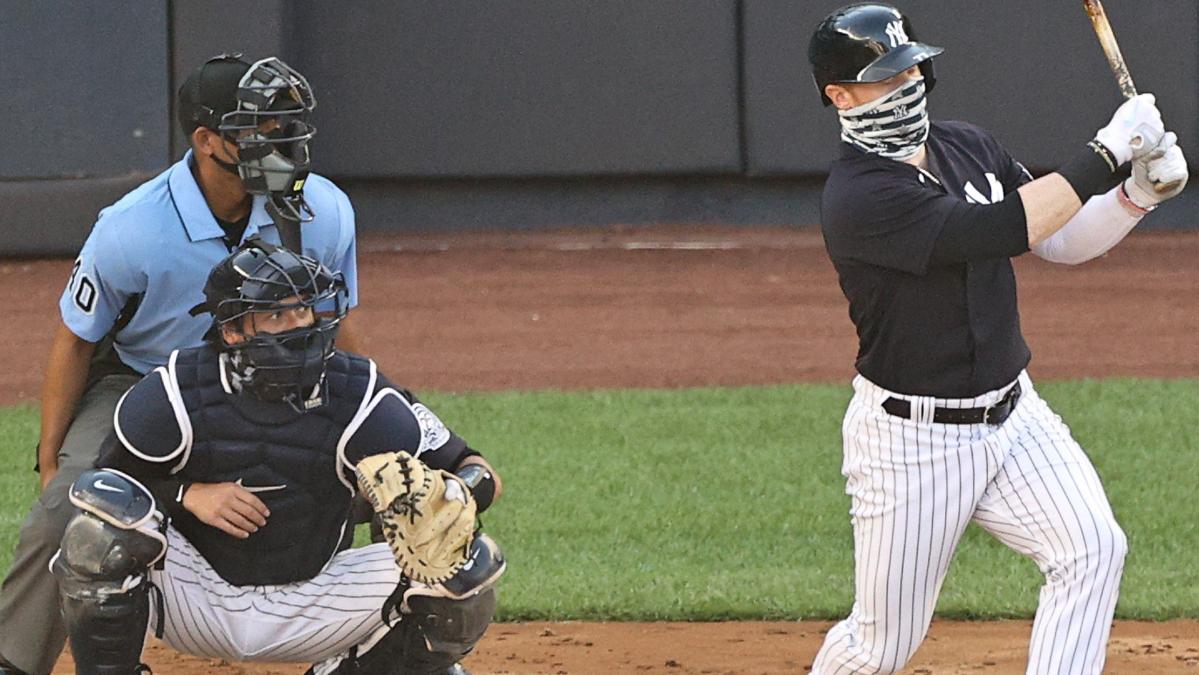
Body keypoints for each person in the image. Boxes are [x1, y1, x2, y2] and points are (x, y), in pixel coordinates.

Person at [806, 4, 1188, 674]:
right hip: (913, 441)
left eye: (911, 69)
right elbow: (999, 230)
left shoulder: (965, 145)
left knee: (1091, 548)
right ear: (839, 95)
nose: (908, 84)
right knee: (880, 645)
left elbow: (1059, 235)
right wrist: (1107, 151)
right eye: (886, 77)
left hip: (1015, 416)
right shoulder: (860, 197)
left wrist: (1135, 195)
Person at [0, 54, 360, 675]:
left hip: (280, 378)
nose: (287, 145)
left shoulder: (322, 210)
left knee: (377, 471)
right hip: (143, 381)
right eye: (265, 130)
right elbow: (75, 341)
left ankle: (370, 655)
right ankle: (13, 660)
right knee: (73, 506)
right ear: (207, 140)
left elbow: (338, 320)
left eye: (290, 128)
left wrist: (364, 411)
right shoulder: (132, 229)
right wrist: (52, 459)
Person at [50, 241, 505, 675]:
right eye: (275, 315)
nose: (298, 326)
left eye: (304, 309)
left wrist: (453, 494)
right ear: (231, 330)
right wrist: (186, 494)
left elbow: (478, 470)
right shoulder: (174, 393)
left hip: (317, 597)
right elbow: (102, 490)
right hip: (195, 595)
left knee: (469, 564)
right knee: (97, 535)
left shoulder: (362, 395)